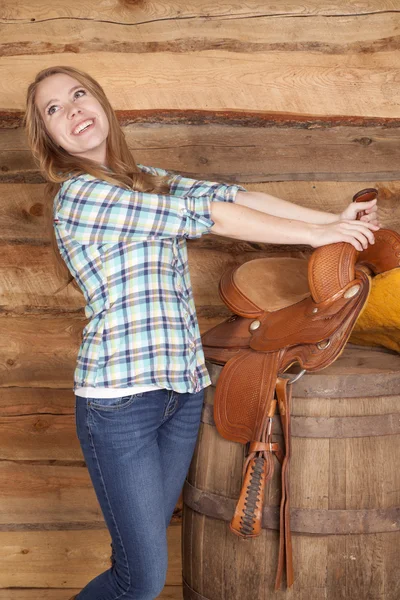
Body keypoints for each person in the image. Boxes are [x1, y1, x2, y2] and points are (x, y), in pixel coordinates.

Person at [24, 66, 379, 600]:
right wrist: (316, 235)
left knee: (135, 563)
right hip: (120, 405)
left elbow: (235, 197)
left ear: (100, 101)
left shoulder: (142, 178)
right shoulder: (82, 195)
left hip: (182, 394)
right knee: (139, 582)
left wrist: (329, 219)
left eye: (78, 94)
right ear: (48, 138)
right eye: (54, 109)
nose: (72, 110)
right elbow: (207, 216)